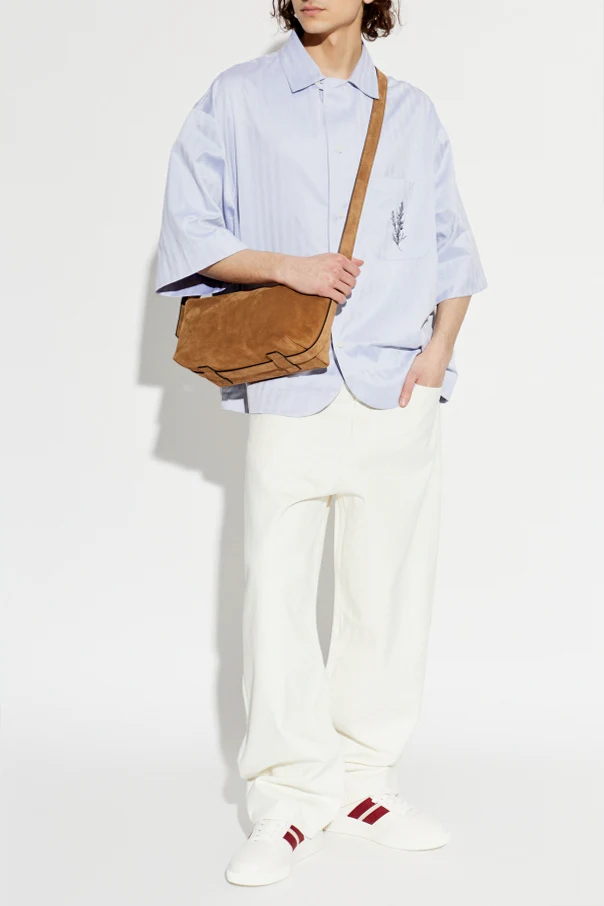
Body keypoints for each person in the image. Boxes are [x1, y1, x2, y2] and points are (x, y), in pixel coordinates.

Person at [155, 0, 487, 888]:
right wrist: (288, 267)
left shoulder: (410, 112)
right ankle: (288, 798)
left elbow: (452, 246)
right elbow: (191, 228)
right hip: (290, 380)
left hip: (396, 388)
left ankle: (364, 781)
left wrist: (437, 356)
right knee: (276, 593)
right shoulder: (238, 97)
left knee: (388, 594)